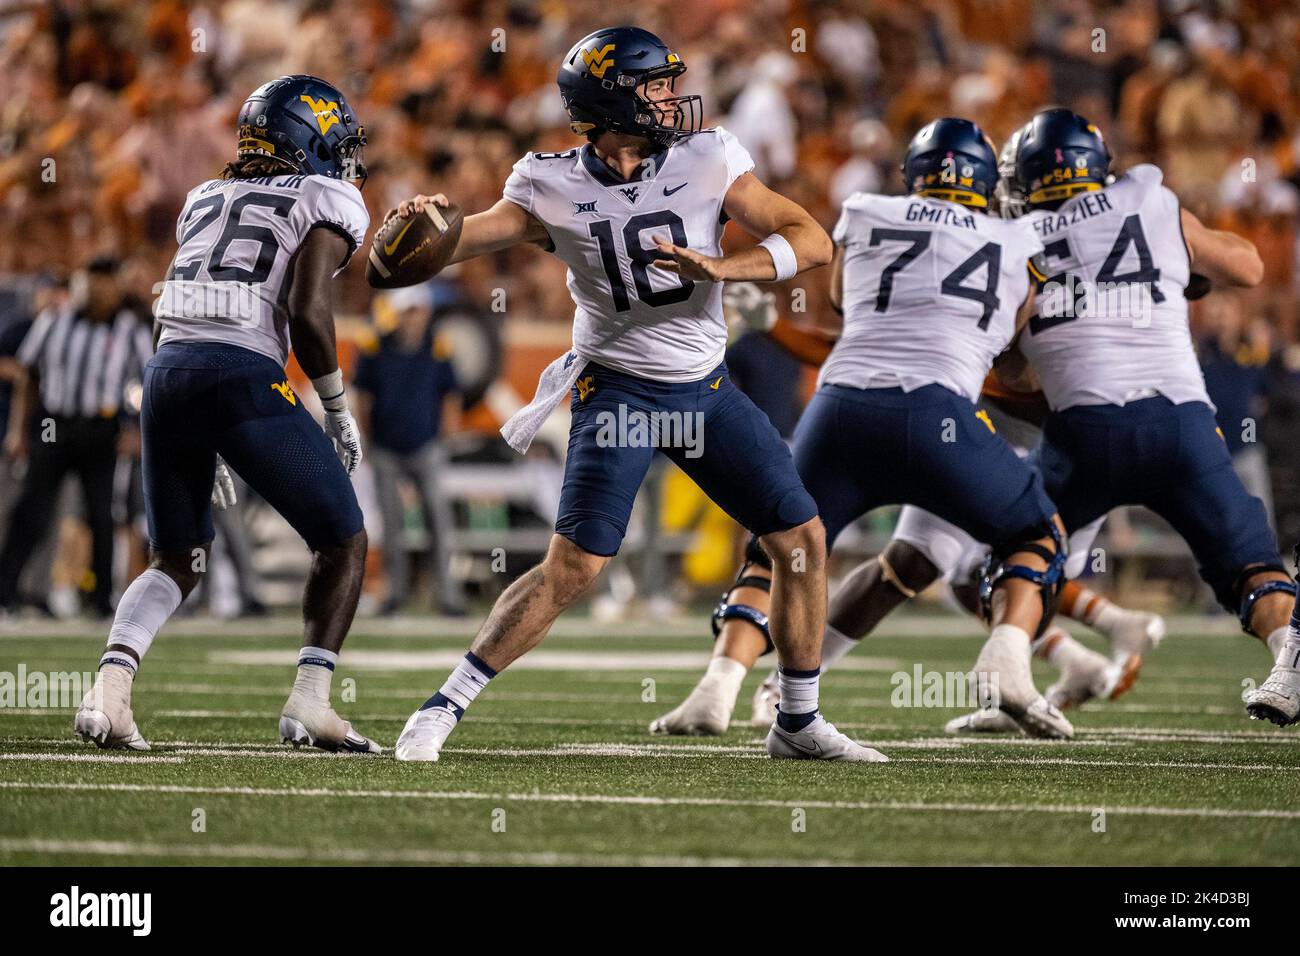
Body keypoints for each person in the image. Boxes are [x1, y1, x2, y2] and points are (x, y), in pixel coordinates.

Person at [389, 26, 880, 763]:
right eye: (655, 86)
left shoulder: (709, 157)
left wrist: (726, 267)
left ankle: (798, 721)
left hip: (706, 392)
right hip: (619, 391)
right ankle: (442, 706)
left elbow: (811, 239)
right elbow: (451, 245)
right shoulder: (547, 182)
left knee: (800, 541)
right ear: (613, 101)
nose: (672, 99)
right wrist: (417, 231)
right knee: (576, 568)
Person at [663, 117, 1078, 742]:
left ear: (913, 174)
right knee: (1034, 535)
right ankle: (1007, 661)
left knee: (780, 550)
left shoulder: (866, 212)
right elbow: (1011, 360)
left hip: (841, 407)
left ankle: (715, 690)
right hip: (940, 414)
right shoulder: (1019, 239)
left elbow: (842, 303)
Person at [73, 75, 379, 753]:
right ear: (311, 140)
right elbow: (306, 311)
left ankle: (110, 693)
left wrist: (195, 423)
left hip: (168, 368)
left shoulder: (204, 197)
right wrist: (335, 404)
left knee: (176, 558)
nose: (348, 156)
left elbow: (180, 296)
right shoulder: (328, 197)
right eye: (338, 141)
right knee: (343, 539)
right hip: (239, 372)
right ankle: (311, 702)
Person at [985, 109, 1296, 728]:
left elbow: (1013, 369)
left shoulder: (1014, 243)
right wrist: (1184, 262)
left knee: (1024, 547)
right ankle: (1287, 665)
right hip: (1182, 423)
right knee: (1250, 561)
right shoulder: (1151, 205)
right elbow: (1248, 267)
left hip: (1085, 431)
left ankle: (1008, 666)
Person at [0, 256, 152, 618]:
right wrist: (18, 431)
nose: (97, 290)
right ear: (79, 282)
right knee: (32, 509)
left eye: (105, 281)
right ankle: (6, 591)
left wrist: (138, 431)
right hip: (55, 425)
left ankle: (99, 598)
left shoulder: (131, 328)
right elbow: (29, 376)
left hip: (103, 428)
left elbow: (149, 385)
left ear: (117, 287)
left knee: (102, 513)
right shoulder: (55, 319)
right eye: (91, 280)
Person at [353, 285, 464, 616]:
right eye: (408, 311)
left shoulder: (438, 346)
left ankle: (446, 594)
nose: (413, 317)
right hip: (386, 447)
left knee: (439, 524)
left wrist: (446, 437)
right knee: (391, 524)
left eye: (417, 310)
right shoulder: (374, 346)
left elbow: (451, 393)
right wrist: (369, 440)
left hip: (426, 446)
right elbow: (362, 395)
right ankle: (395, 593)